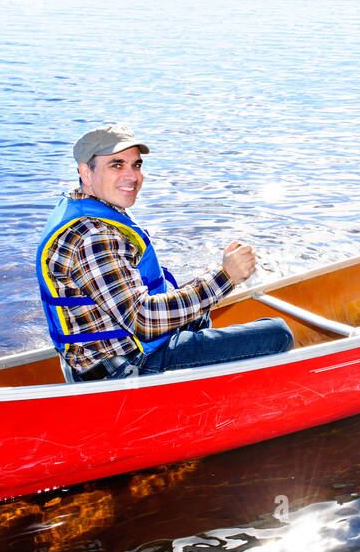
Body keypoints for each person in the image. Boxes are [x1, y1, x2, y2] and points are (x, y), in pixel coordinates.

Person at [36, 124, 293, 381]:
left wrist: (212, 281)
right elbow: (145, 320)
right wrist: (227, 278)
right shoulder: (93, 237)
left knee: (199, 313)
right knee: (278, 334)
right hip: (128, 369)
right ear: (86, 172)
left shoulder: (85, 208)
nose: (132, 176)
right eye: (117, 165)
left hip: (113, 355)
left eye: (136, 165)